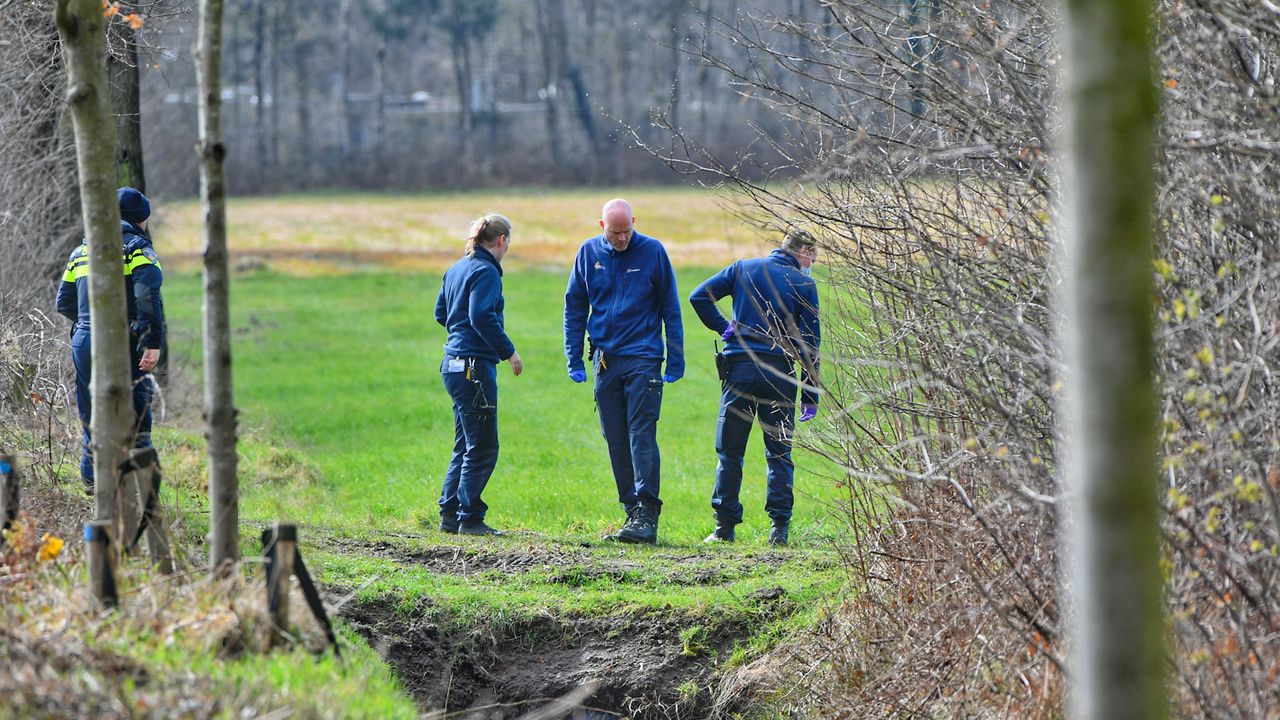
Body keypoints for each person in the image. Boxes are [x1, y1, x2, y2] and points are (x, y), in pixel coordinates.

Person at [688, 228, 821, 546]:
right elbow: (810, 343)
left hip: (740, 374)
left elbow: (699, 297)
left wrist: (726, 327)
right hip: (780, 377)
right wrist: (810, 393)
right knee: (779, 454)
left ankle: (724, 528)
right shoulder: (804, 283)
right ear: (803, 252)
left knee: (730, 452)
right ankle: (779, 529)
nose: (812, 263)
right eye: (812, 257)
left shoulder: (742, 268)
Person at [563, 198, 684, 544]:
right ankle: (631, 511)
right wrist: (573, 358)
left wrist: (675, 359)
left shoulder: (653, 252)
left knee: (641, 434)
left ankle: (648, 511)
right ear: (602, 227)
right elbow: (574, 308)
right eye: (615, 233)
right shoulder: (588, 255)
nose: (622, 239)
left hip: (644, 358)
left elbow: (670, 309)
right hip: (605, 360)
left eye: (627, 230)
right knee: (614, 437)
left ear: (634, 221)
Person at [55, 187, 166, 496]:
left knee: (91, 414)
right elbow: (147, 296)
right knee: (137, 415)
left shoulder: (81, 251)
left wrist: (88, 327)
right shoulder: (137, 249)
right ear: (140, 220)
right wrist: (151, 342)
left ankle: (94, 484)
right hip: (125, 342)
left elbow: (63, 303)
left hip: (84, 342)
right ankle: (143, 489)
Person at [434, 213, 523, 536]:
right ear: (501, 241)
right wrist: (508, 351)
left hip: (452, 365)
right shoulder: (487, 272)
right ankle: (469, 517)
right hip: (474, 367)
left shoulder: (457, 268)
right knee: (483, 446)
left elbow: (440, 313)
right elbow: (481, 315)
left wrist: (460, 336)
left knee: (465, 443)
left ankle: (450, 513)